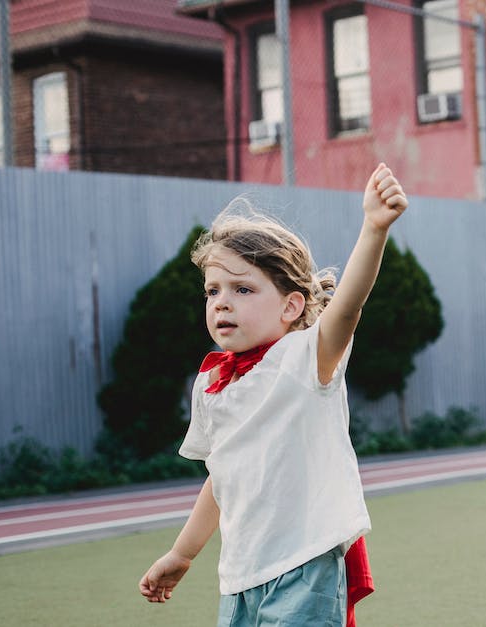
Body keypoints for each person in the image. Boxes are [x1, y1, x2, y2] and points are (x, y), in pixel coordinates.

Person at [138, 163, 408, 626]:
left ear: (291, 305)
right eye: (213, 290)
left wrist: (374, 228)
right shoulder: (211, 385)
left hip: (305, 564)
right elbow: (222, 478)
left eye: (243, 288)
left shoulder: (305, 360)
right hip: (240, 577)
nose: (222, 301)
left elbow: (347, 308)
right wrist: (182, 554)